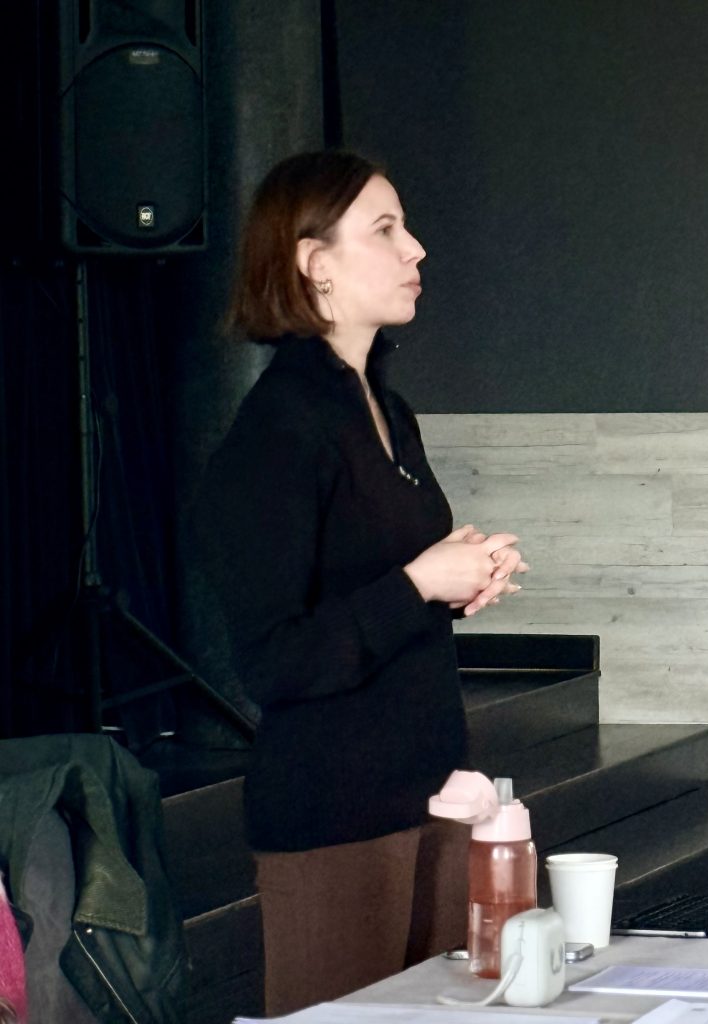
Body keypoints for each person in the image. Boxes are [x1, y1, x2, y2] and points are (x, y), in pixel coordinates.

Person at [194, 150, 527, 1016]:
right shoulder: (277, 432)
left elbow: (380, 583)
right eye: (385, 230)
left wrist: (461, 577)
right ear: (316, 263)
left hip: (429, 792)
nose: (416, 249)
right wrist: (418, 583)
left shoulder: (388, 409)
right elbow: (275, 662)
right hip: (334, 817)